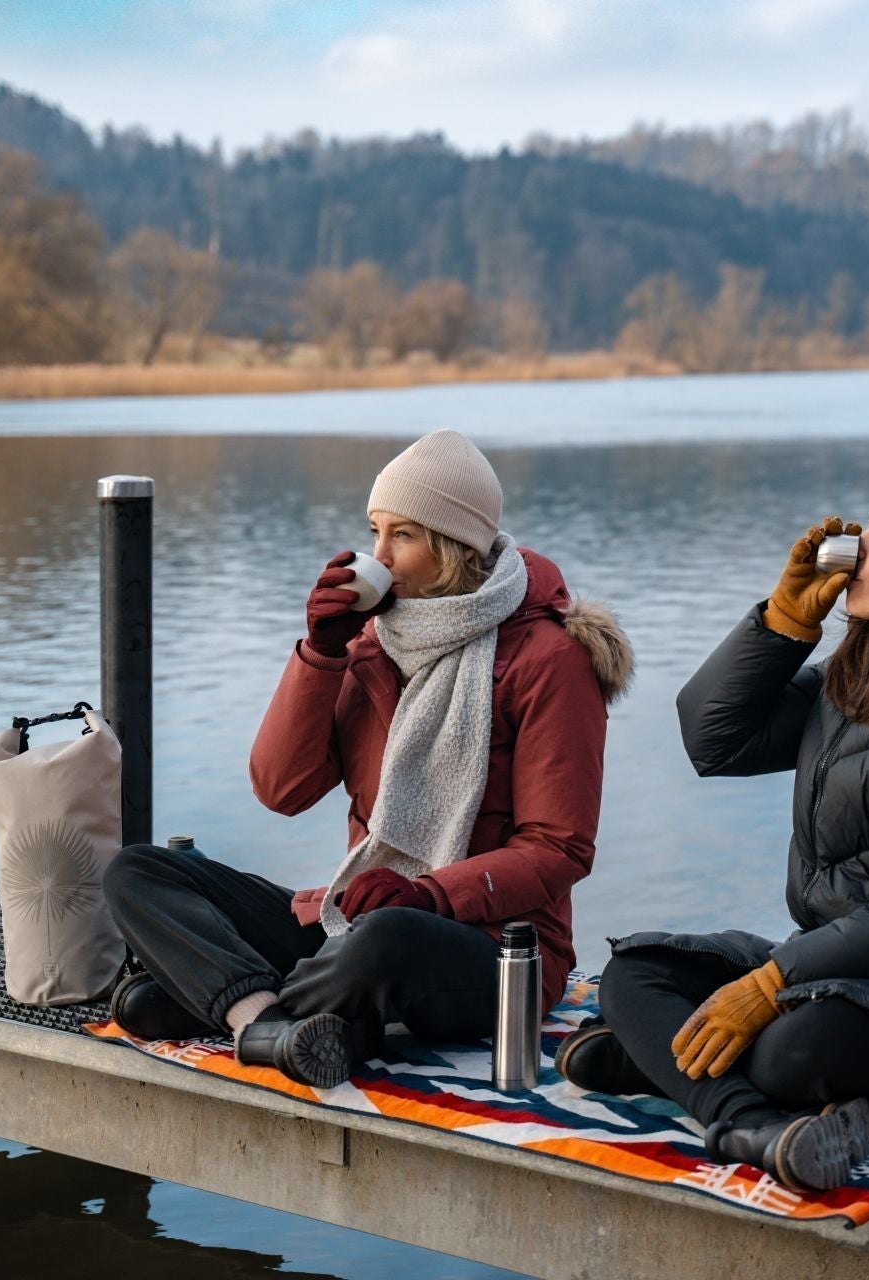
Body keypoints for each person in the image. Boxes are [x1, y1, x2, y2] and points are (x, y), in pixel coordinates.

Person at [561, 452, 869, 1192]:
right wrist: (785, 618)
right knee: (636, 971)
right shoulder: (860, 672)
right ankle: (748, 1122)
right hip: (833, 967)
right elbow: (714, 740)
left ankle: (670, 1069)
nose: (859, 545)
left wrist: (770, 985)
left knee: (793, 1050)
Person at [104, 429, 633, 1087]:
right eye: (374, 531)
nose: (376, 556)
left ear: (454, 547)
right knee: (140, 870)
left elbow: (560, 848)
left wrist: (428, 895)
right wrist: (320, 654)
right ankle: (266, 1023)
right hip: (354, 920)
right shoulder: (371, 644)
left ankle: (223, 998)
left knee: (387, 939)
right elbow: (281, 789)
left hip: (493, 955)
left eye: (402, 536)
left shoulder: (551, 659)